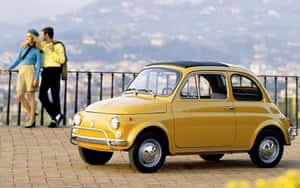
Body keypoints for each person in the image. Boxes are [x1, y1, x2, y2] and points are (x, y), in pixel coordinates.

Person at [1, 29, 42, 128]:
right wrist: (9, 68)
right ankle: (32, 113)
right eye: (26, 36)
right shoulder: (23, 47)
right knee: (20, 95)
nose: (26, 38)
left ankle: (31, 120)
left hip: (30, 71)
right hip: (22, 71)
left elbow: (39, 65)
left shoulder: (38, 50)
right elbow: (18, 59)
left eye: (28, 36)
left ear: (33, 38)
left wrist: (36, 78)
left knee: (30, 95)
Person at [39, 27, 65, 128]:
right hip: (45, 71)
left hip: (54, 71)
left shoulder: (58, 45)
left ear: (47, 35)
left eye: (42, 35)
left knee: (55, 95)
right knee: (42, 95)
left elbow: (62, 60)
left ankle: (55, 119)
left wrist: (53, 52)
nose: (41, 37)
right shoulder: (43, 46)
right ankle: (56, 115)